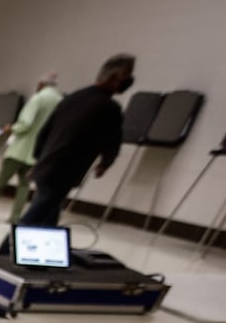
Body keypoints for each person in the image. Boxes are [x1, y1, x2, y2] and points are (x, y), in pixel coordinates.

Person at [12, 54, 135, 231]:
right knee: (34, 217)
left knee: (49, 217)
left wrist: (39, 160)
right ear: (115, 78)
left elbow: (45, 131)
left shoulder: (73, 97)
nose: (129, 81)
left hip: (47, 165)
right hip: (65, 169)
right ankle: (4, 251)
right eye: (127, 75)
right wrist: (106, 163)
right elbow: (112, 140)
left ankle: (45, 255)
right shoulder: (109, 108)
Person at [0, 72, 63, 223]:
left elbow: (25, 124)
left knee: (0, 182)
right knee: (24, 185)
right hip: (37, 151)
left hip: (19, 149)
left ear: (41, 84)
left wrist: (11, 128)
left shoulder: (38, 98)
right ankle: (15, 217)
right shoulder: (60, 101)